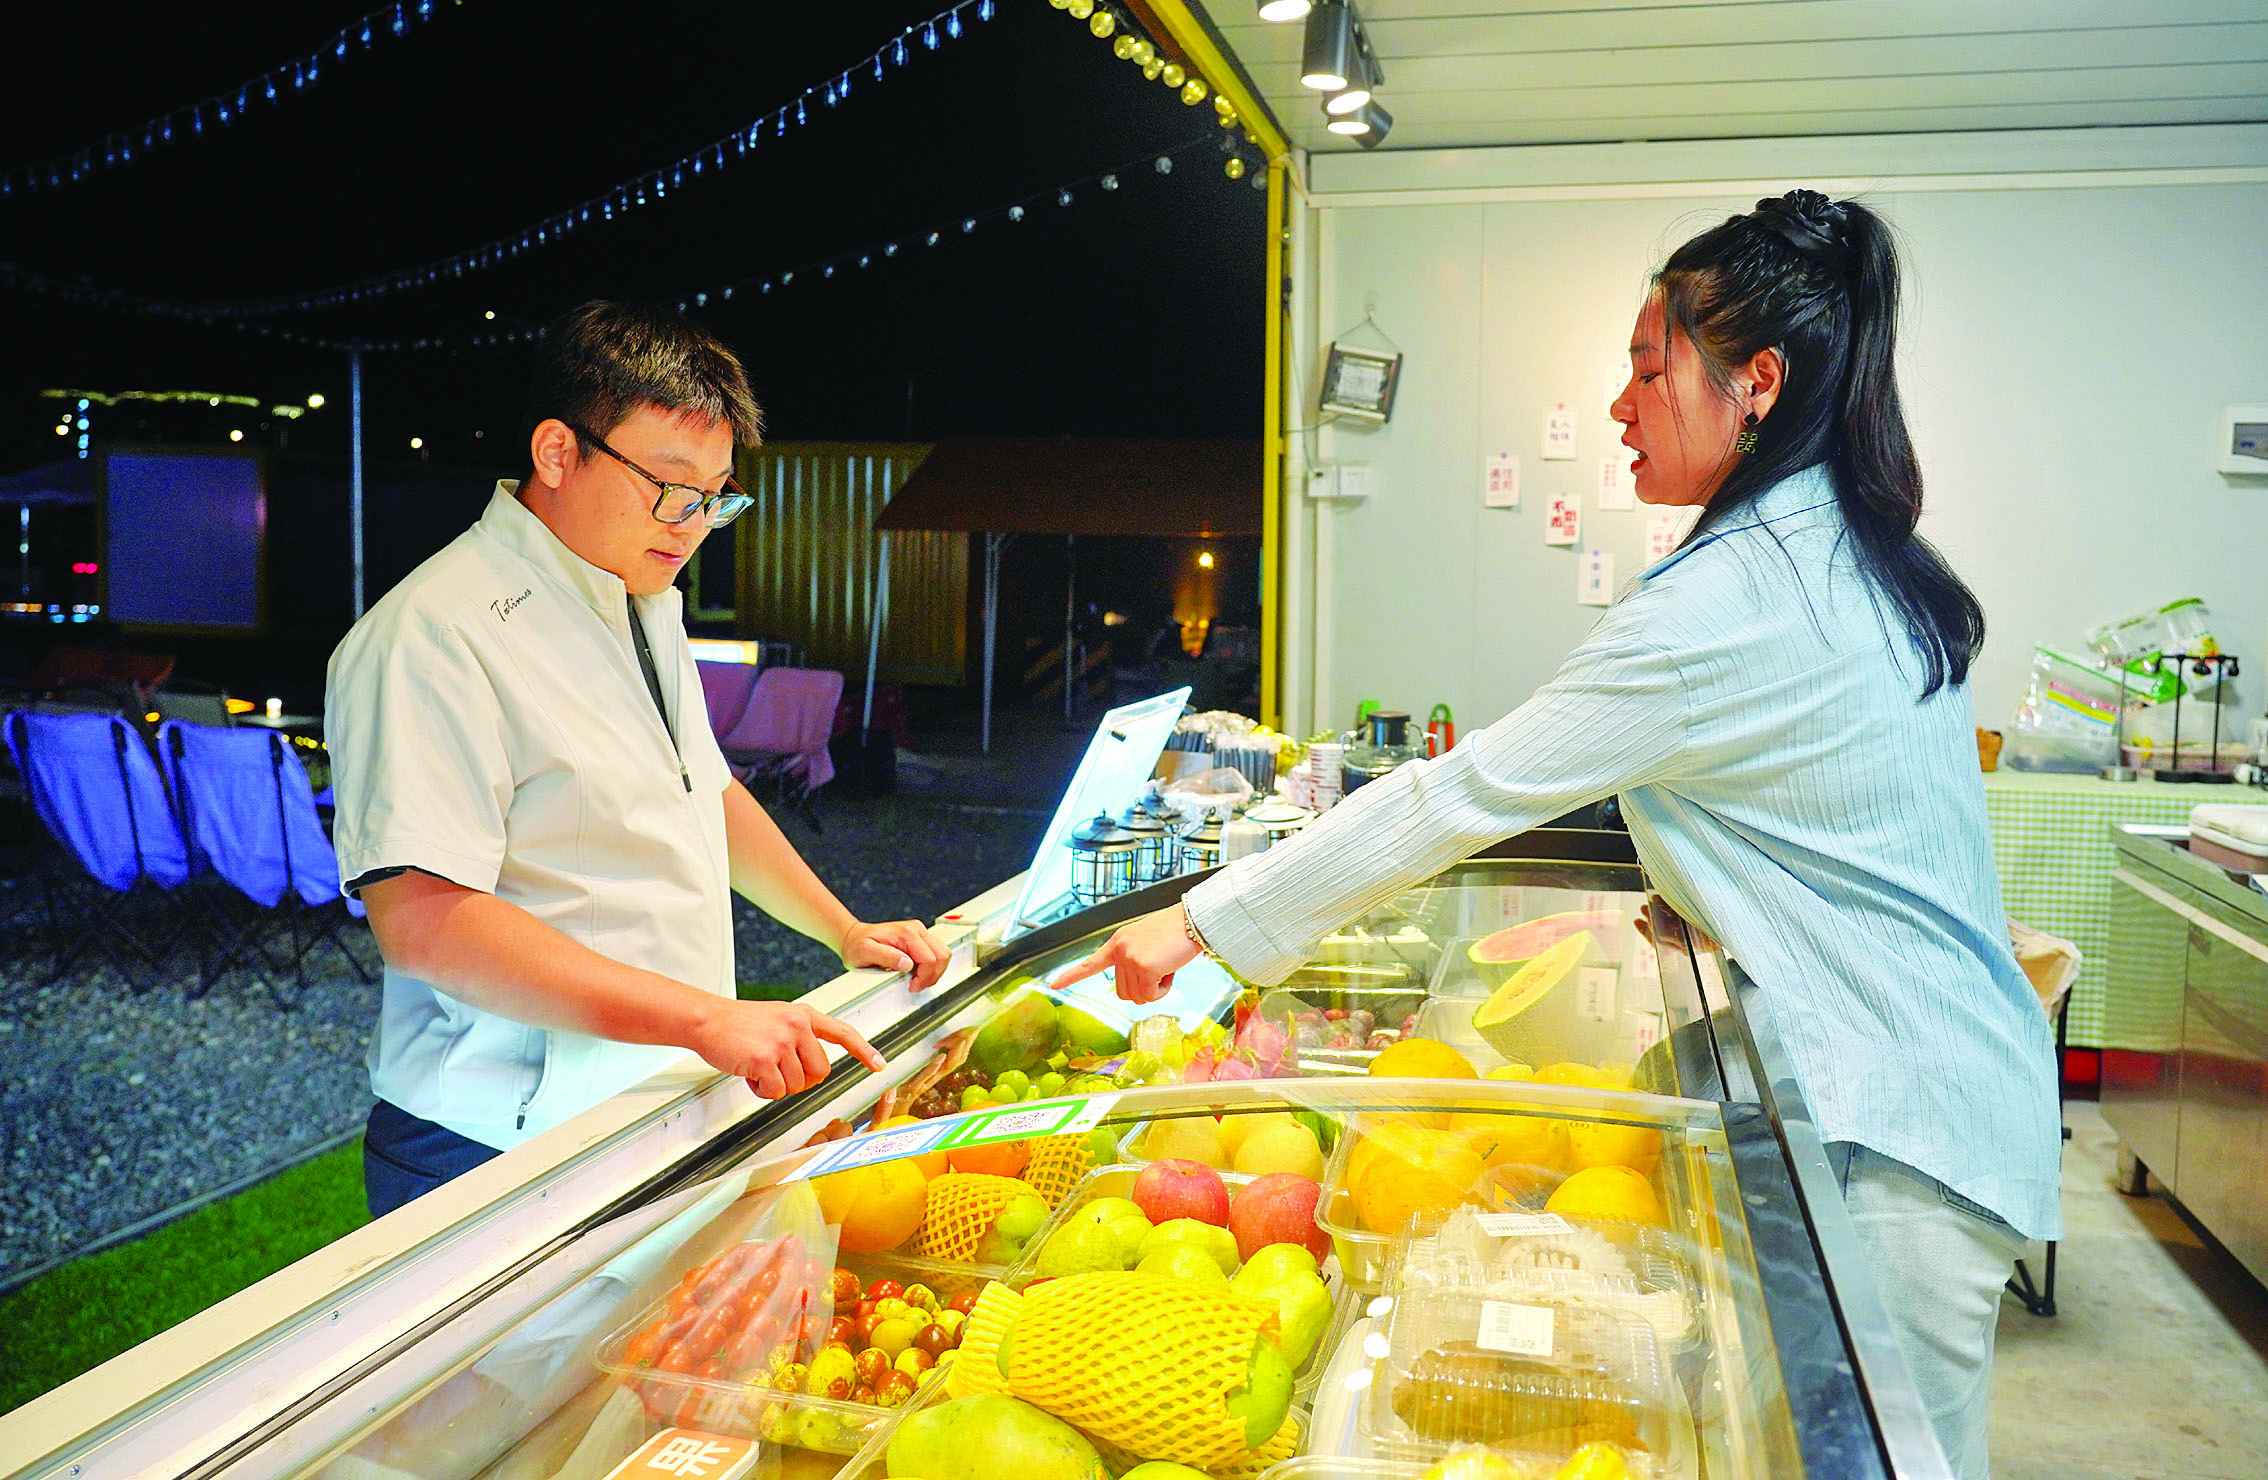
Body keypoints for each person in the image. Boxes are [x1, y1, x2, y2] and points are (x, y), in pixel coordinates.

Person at [1057, 193, 2059, 1479]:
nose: (1619, 406)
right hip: (1927, 1087)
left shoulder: (1732, 600)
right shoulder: (1830, 550)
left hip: (1895, 1124)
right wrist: (1720, 889)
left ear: (1757, 383)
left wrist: (1201, 920)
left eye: (1648, 371)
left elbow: (1461, 795)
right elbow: (1838, 815)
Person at [327, 300, 948, 1216]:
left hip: (652, 1088)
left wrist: (843, 930)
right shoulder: (432, 634)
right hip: (495, 1136)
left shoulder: (638, 598)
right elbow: (425, 921)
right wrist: (705, 1016)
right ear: (556, 452)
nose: (691, 523)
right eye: (669, 485)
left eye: (715, 495)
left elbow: (702, 790)